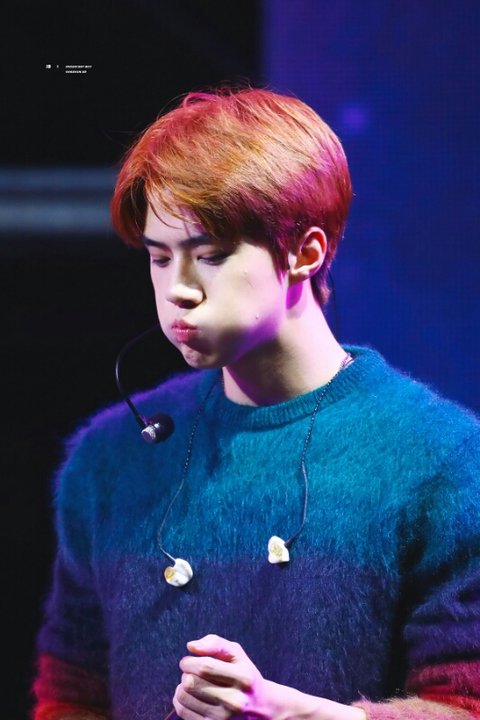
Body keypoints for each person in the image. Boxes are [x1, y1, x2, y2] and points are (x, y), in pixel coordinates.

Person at [32, 86, 480, 720]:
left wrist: (291, 713)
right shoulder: (110, 459)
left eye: (210, 255)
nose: (178, 289)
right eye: (159, 258)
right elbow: (70, 697)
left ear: (306, 252)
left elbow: (466, 704)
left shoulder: (440, 460)